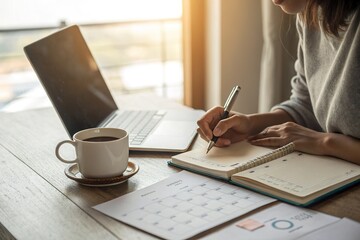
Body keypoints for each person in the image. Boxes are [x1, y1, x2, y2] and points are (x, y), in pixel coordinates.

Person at [197, 0, 360, 164]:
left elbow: (317, 135)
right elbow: (306, 105)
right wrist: (249, 124)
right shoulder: (310, 12)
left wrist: (324, 142)